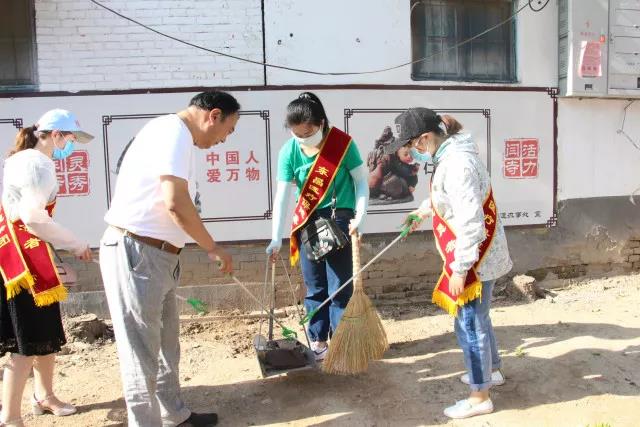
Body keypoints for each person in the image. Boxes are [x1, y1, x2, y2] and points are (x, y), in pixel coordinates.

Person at [99, 91, 239, 427]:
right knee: (141, 354)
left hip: (158, 255)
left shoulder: (178, 137)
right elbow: (176, 202)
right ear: (213, 116)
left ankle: (173, 414)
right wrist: (212, 247)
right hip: (137, 251)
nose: (223, 140)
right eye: (228, 131)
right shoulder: (172, 132)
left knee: (165, 345)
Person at [399, 108, 512, 419]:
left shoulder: (457, 163)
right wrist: (422, 212)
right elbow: (447, 200)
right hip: (478, 256)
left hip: (475, 259)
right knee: (480, 318)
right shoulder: (451, 155)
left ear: (424, 139)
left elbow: (472, 221)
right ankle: (493, 371)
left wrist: (460, 269)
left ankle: (479, 397)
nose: (412, 154)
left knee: (470, 323)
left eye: (412, 147)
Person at [0, 109, 94, 427]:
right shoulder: (37, 163)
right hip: (24, 265)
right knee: (25, 342)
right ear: (55, 135)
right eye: (70, 138)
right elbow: (34, 217)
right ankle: (11, 417)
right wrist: (75, 243)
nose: (72, 144)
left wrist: (55, 254)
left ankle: (45, 396)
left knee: (44, 336)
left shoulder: (24, 159)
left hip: (30, 256)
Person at [266, 92, 369, 361]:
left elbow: (361, 182)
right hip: (308, 221)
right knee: (315, 287)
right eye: (296, 133)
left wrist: (360, 215)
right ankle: (318, 340)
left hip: (338, 219)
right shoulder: (288, 151)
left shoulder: (341, 144)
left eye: (307, 132)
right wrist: (276, 236)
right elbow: (282, 195)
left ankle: (342, 342)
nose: (301, 139)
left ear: (321, 123)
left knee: (339, 287)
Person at [367, 126, 420, 203]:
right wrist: (411, 170)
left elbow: (410, 176)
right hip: (383, 180)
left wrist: (412, 183)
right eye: (406, 154)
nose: (410, 157)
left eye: (412, 155)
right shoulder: (392, 159)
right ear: (397, 152)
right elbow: (402, 169)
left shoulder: (399, 160)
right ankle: (382, 193)